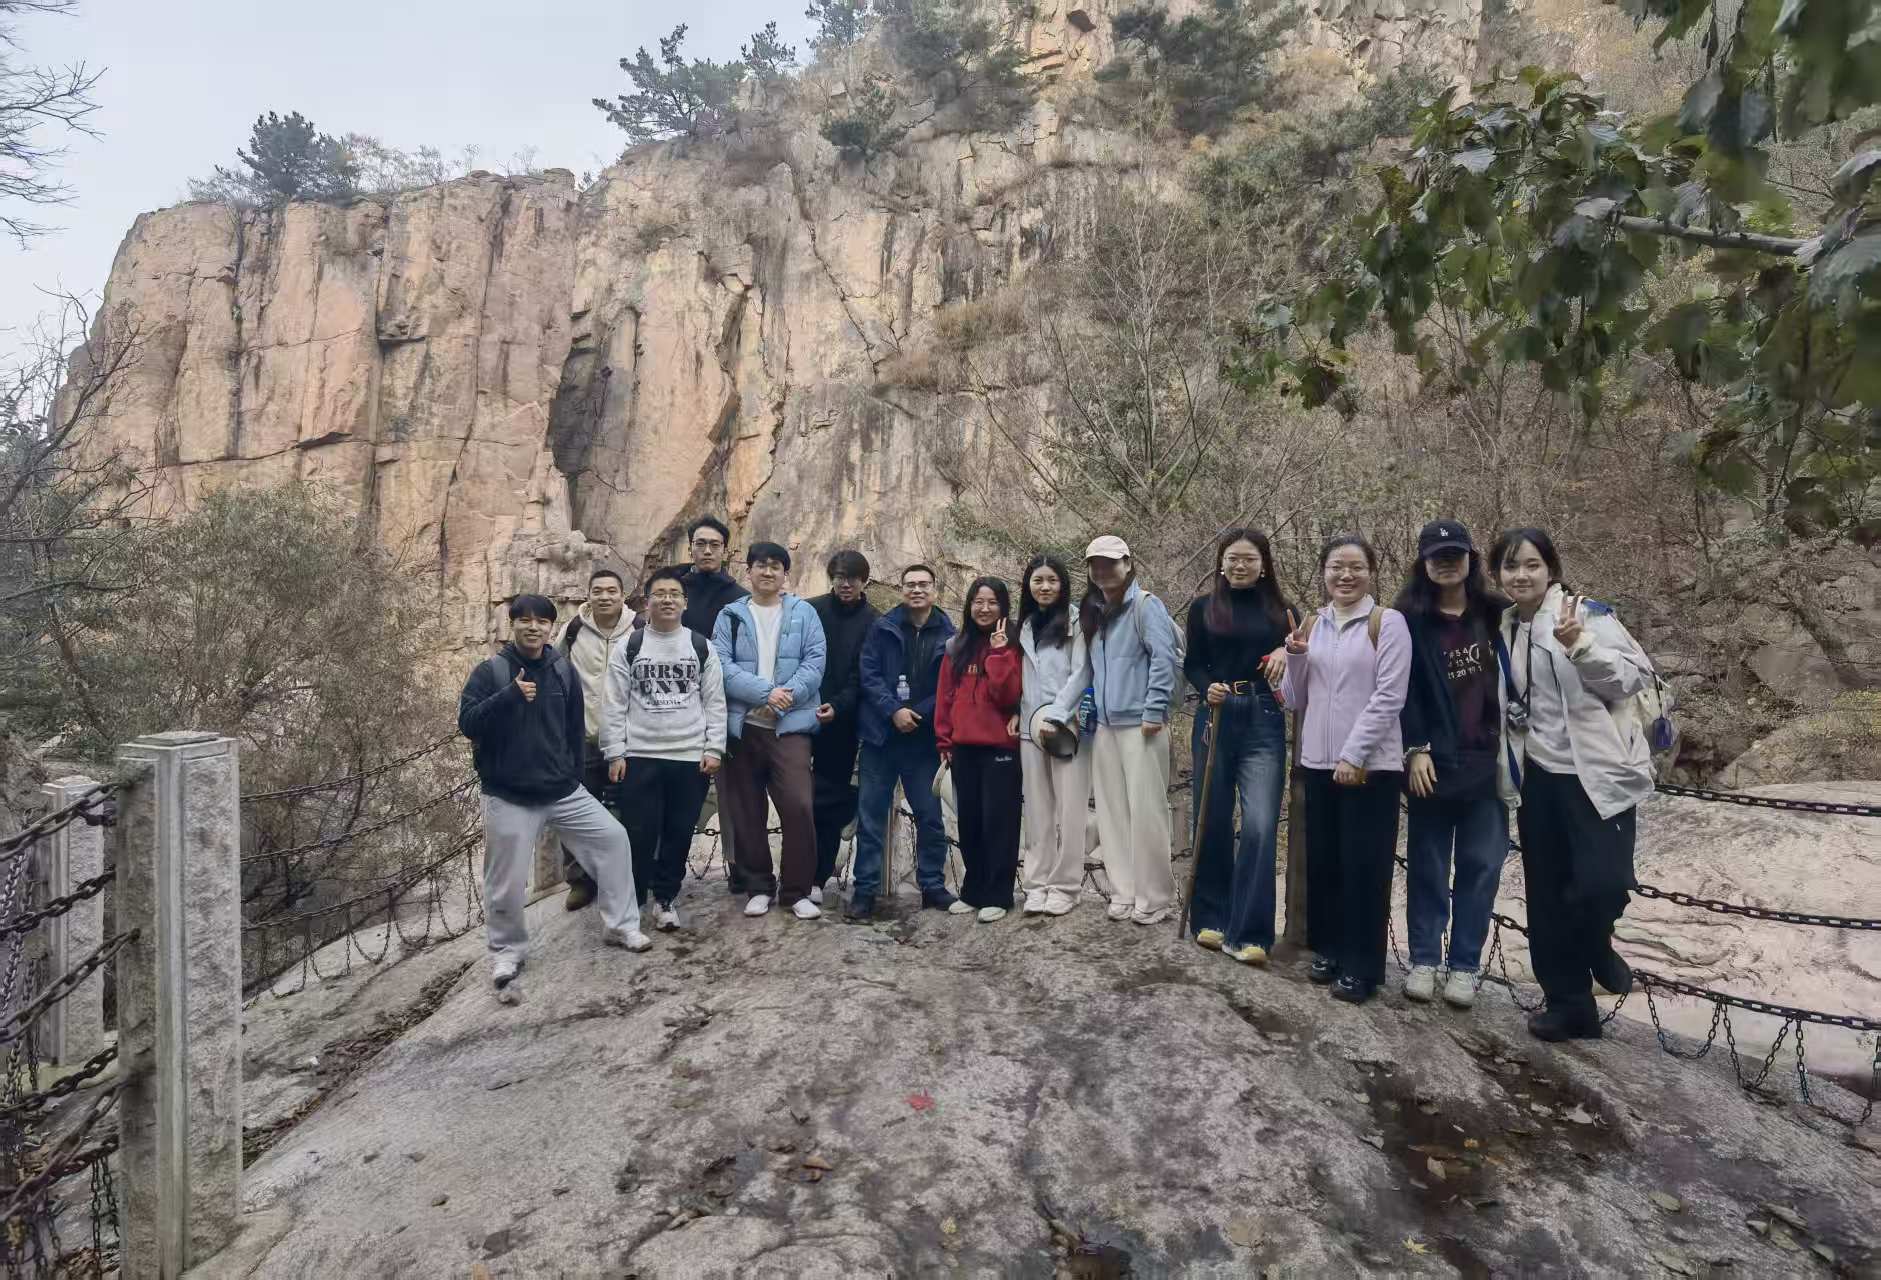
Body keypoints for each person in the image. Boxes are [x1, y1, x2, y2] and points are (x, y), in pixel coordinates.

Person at [1491, 526, 1654, 1042]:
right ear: (1497, 574)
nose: (1521, 575)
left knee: (1604, 882)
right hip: (1538, 778)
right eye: (1511, 566)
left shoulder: (1587, 615)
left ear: (1551, 569)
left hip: (1597, 774)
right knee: (1546, 895)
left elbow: (1630, 679)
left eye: (1532, 564)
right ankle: (1569, 1005)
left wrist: (1579, 646)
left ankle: (1595, 946)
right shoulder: (1505, 628)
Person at [457, 595, 649, 1005]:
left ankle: (620, 925)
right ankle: (507, 952)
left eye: (542, 621)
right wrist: (509, 696)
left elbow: (573, 728)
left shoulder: (562, 669)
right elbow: (468, 723)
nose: (534, 627)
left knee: (613, 839)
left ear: (550, 627)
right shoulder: (491, 672)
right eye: (524, 620)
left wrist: (573, 775)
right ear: (511, 624)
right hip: (509, 794)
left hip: (562, 790)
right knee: (505, 880)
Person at [1280, 534, 1411, 1005]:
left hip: (1370, 766)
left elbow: (1390, 696)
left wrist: (1354, 754)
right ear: (1324, 572)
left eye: (1356, 566)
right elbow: (1294, 699)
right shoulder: (1312, 624)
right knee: (1326, 863)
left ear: (1371, 572)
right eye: (1336, 566)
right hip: (1318, 761)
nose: (1346, 575)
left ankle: (1363, 965)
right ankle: (1331, 950)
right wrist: (1296, 657)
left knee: (1365, 866)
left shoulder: (1387, 623)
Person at [1396, 520, 1511, 1010]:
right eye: (1437, 556)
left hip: (1489, 760)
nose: (1446, 563)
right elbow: (1401, 688)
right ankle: (1424, 959)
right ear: (1423, 563)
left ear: (1470, 559)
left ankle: (1465, 965)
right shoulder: (1407, 618)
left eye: (1455, 555)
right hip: (1431, 761)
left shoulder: (1498, 614)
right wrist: (1414, 747)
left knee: (1481, 866)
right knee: (1427, 865)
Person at [1044, 536, 1182, 926]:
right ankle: (1124, 891)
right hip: (1104, 727)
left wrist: (1154, 710)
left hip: (1142, 726)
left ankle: (1155, 896)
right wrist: (1062, 712)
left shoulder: (1146, 606)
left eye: (1110, 563)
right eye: (1095, 564)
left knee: (1148, 813)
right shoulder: (1096, 612)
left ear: (1127, 563)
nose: (1103, 570)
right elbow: (1087, 671)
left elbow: (1163, 659)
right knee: (1111, 814)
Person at [1182, 529, 1292, 965]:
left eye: (1249, 558)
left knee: (1261, 823)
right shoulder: (1203, 608)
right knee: (1212, 815)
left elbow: (1302, 656)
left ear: (1264, 565)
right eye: (1232, 558)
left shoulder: (1283, 612)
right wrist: (1206, 686)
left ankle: (1251, 933)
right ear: (1221, 563)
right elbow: (1193, 663)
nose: (1240, 565)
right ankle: (1211, 918)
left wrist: (1286, 649)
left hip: (1263, 714)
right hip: (1216, 713)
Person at [600, 566, 727, 932]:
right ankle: (635, 901)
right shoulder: (631, 646)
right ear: (647, 602)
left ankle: (666, 898)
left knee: (679, 831)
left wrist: (714, 748)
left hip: (689, 756)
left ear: (685, 603)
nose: (667, 600)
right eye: (660, 594)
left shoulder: (701, 646)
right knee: (639, 832)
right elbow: (614, 703)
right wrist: (615, 752)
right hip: (641, 755)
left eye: (674, 594)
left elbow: (714, 701)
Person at [712, 542, 827, 920]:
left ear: (785, 574)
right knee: (746, 810)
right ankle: (758, 886)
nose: (767, 572)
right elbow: (721, 666)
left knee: (798, 805)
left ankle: (796, 891)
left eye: (775, 566)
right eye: (760, 565)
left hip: (790, 726)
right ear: (748, 572)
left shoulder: (804, 613)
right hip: (743, 726)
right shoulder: (730, 615)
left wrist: (783, 699)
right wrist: (765, 693)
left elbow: (814, 662)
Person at [849, 564, 957, 919]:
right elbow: (869, 674)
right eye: (910, 584)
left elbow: (949, 686)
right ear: (902, 589)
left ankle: (933, 886)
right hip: (880, 737)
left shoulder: (949, 635)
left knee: (930, 817)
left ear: (935, 590)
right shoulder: (883, 627)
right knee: (870, 817)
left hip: (922, 742)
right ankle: (864, 891)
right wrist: (893, 710)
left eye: (924, 584)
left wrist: (916, 714)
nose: (917, 590)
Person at [935, 577, 1025, 923]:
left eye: (992, 602)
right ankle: (973, 890)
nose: (984, 609)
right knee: (969, 821)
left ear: (1003, 607)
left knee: (999, 822)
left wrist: (999, 653)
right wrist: (944, 740)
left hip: (1000, 747)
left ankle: (999, 895)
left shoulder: (1013, 645)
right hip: (963, 748)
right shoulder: (956, 646)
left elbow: (1008, 696)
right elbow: (945, 696)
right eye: (978, 602)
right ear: (969, 605)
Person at [674, 515, 753, 894]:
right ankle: (666, 865)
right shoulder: (674, 589)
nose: (707, 550)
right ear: (690, 547)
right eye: (700, 544)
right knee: (674, 785)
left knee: (732, 790)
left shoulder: (738, 597)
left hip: (723, 701)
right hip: (676, 701)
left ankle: (738, 864)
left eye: (714, 545)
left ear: (725, 550)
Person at [555, 568, 636, 912]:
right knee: (575, 810)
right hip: (583, 737)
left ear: (622, 595)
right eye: (598, 590)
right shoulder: (573, 630)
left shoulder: (639, 630)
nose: (605, 597)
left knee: (632, 810)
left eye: (611, 591)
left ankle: (629, 875)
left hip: (629, 740)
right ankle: (580, 880)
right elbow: (553, 671)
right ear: (588, 594)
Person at [1017, 555, 1090, 917]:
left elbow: (1082, 673)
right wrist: (1018, 715)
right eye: (1038, 580)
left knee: (1071, 809)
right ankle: (1036, 884)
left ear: (1063, 584)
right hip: (1029, 728)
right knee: (1037, 810)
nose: (1044, 587)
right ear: (1028, 585)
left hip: (1066, 727)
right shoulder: (1023, 625)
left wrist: (1058, 715)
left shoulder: (1076, 621)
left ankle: (1066, 886)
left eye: (1052, 580)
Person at [808, 550, 879, 904]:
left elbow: (863, 674)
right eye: (838, 577)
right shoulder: (810, 610)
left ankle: (817, 878)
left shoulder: (874, 621)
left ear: (864, 581)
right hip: (800, 714)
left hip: (842, 723)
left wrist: (837, 706)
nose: (845, 584)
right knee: (796, 799)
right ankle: (793, 873)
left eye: (852, 578)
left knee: (828, 802)